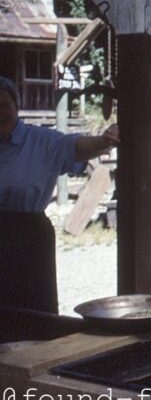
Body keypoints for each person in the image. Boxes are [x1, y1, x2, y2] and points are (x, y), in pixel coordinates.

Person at [0, 76, 120, 313]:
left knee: (33, 315)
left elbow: (75, 147)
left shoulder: (40, 141)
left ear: (17, 106)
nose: (0, 113)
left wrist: (104, 141)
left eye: (5, 106)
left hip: (27, 238)